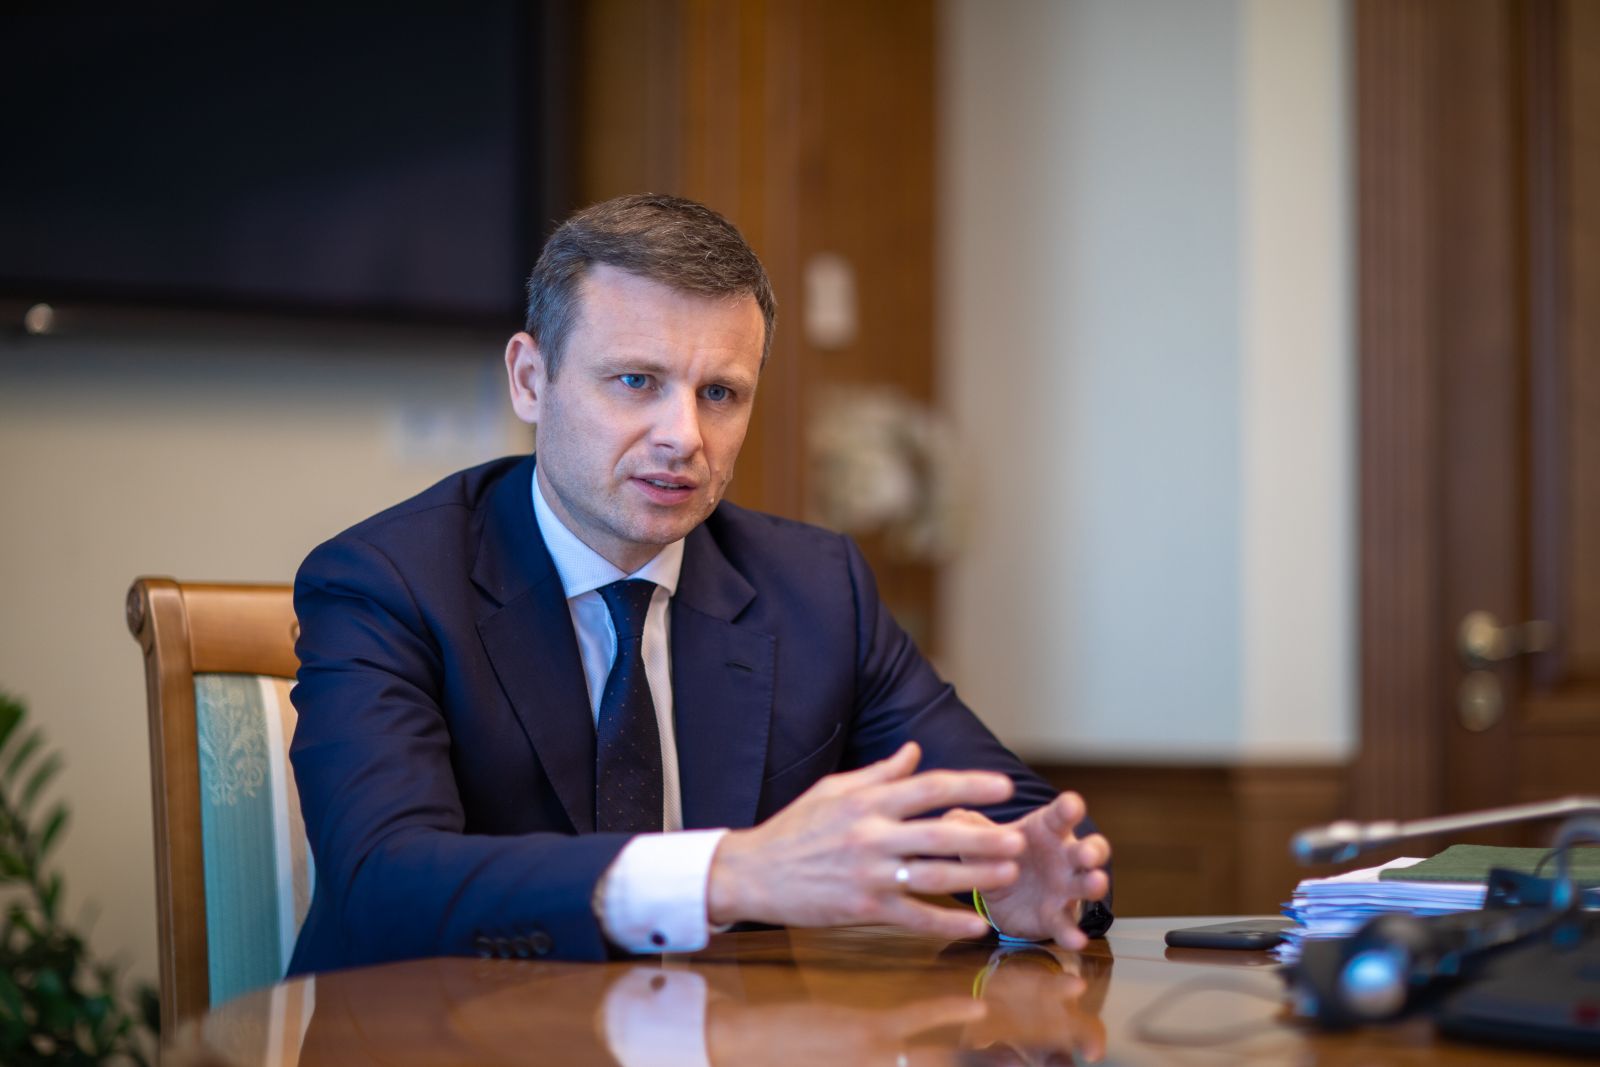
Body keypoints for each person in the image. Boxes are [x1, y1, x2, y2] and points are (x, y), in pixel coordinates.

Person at [286, 194, 1111, 975]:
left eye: (719, 393)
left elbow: (1022, 823)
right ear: (530, 379)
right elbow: (385, 879)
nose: (683, 436)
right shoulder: (387, 581)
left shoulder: (816, 588)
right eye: (636, 381)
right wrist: (724, 872)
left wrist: (1016, 885)